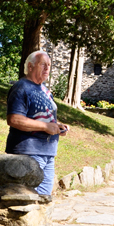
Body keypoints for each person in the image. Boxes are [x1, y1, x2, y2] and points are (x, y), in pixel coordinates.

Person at [6, 50, 69, 195]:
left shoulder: (44, 90)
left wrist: (57, 127)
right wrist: (46, 127)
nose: (47, 68)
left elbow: (42, 118)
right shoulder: (21, 88)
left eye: (49, 65)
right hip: (28, 153)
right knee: (28, 198)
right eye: (43, 64)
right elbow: (14, 119)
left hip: (47, 153)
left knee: (43, 198)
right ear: (30, 66)